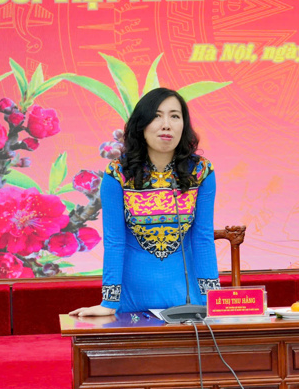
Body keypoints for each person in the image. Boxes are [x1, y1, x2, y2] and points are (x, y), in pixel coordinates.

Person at [69, 88, 219, 316]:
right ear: (142, 125)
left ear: (184, 126)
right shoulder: (118, 173)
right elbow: (114, 241)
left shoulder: (200, 171)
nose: (166, 124)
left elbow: (203, 239)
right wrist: (108, 304)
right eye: (157, 116)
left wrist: (214, 301)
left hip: (188, 300)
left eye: (175, 116)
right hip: (131, 301)